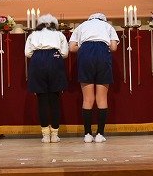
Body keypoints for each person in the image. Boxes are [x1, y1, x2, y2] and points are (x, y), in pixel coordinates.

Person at [69, 13, 119, 143]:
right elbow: (113, 47)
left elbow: (72, 48)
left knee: (87, 99)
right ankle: (100, 134)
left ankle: (87, 134)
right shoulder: (108, 26)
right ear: (103, 19)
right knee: (102, 98)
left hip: (85, 54)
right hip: (102, 54)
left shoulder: (81, 26)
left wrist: (85, 48)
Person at [24, 14, 69, 143]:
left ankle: (45, 135)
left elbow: (27, 53)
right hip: (55, 59)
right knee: (55, 100)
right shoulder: (59, 34)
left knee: (42, 100)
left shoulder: (33, 35)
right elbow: (65, 53)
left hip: (37, 61)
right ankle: (54, 135)